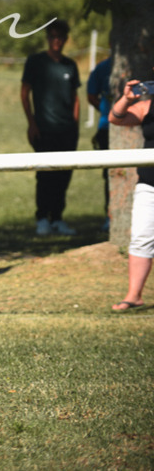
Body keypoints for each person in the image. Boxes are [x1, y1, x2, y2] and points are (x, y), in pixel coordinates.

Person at [21, 19, 80, 236]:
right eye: (52, 36)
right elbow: (24, 92)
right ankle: (42, 218)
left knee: (64, 175)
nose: (56, 41)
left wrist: (75, 125)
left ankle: (58, 217)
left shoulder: (69, 66)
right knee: (45, 175)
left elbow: (75, 98)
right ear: (47, 38)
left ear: (65, 39)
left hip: (67, 130)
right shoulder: (36, 62)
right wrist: (31, 122)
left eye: (60, 37)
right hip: (44, 127)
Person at [108, 75, 154, 310]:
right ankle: (133, 295)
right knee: (140, 238)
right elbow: (115, 118)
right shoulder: (147, 104)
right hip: (149, 183)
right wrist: (126, 99)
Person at [87, 57, 113, 231]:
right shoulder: (102, 68)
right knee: (111, 174)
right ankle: (110, 215)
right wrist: (106, 110)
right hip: (107, 128)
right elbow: (91, 95)